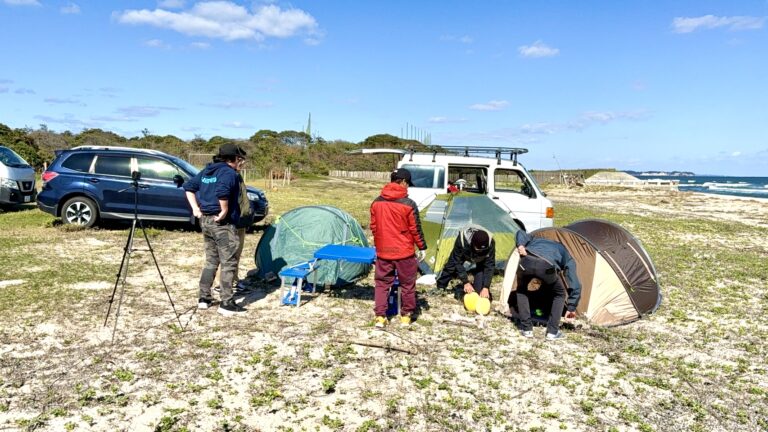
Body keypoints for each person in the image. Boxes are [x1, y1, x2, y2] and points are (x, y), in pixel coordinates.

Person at [184, 143, 248, 317]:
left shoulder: (207, 171)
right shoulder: (229, 173)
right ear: (234, 158)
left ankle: (204, 298)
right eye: (239, 159)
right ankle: (226, 303)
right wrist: (224, 210)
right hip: (222, 224)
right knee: (228, 262)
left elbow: (189, 187)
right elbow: (222, 191)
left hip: (205, 221)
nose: (240, 162)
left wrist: (196, 209)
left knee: (211, 260)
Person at [370, 168, 427, 328]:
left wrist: (380, 243)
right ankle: (406, 317)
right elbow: (415, 228)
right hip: (404, 252)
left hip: (383, 251)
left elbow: (374, 227)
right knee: (407, 284)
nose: (407, 187)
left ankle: (380, 317)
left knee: (382, 284)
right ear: (403, 182)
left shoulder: (376, 202)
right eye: (407, 183)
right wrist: (422, 247)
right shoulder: (409, 204)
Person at [514, 230, 581, 340]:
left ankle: (526, 330)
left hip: (526, 262)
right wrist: (571, 307)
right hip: (546, 266)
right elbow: (574, 281)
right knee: (560, 294)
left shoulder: (535, 239)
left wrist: (520, 245)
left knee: (521, 290)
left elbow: (520, 232)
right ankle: (552, 332)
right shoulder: (565, 252)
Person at [436, 227, 495, 301]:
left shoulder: (491, 243)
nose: (479, 251)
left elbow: (490, 265)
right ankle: (441, 286)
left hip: (481, 259)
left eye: (482, 250)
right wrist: (465, 282)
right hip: (465, 252)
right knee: (451, 266)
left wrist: (486, 287)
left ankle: (468, 288)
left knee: (478, 292)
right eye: (478, 249)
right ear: (473, 243)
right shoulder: (462, 240)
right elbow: (457, 262)